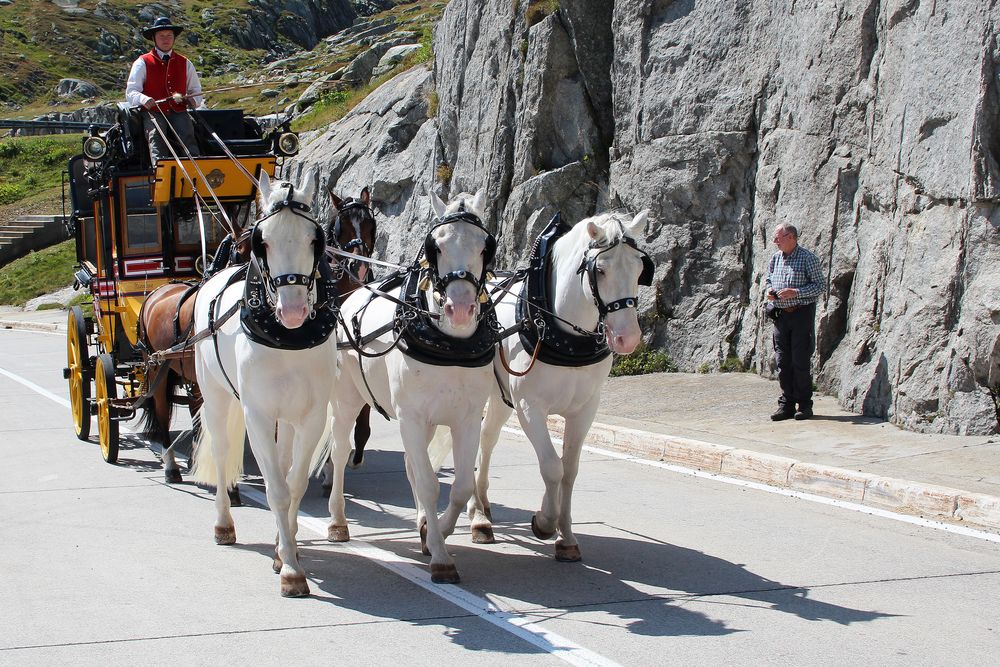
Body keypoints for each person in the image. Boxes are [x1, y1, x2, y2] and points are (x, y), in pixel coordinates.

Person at [125, 17, 204, 163]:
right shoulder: (142, 62)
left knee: (188, 134)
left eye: (169, 36)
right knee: (156, 136)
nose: (166, 39)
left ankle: (194, 166)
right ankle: (159, 171)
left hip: (179, 109)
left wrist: (193, 100)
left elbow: (195, 89)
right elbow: (131, 91)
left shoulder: (185, 63)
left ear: (174, 38)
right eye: (161, 36)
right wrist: (144, 99)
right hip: (154, 111)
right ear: (154, 39)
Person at [765, 223, 823, 421]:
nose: (775, 242)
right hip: (781, 316)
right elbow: (769, 280)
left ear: (791, 237)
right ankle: (787, 403)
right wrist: (770, 291)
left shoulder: (808, 258)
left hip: (800, 314)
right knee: (783, 361)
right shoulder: (775, 259)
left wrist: (796, 292)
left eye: (778, 238)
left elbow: (819, 286)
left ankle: (805, 404)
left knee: (800, 361)